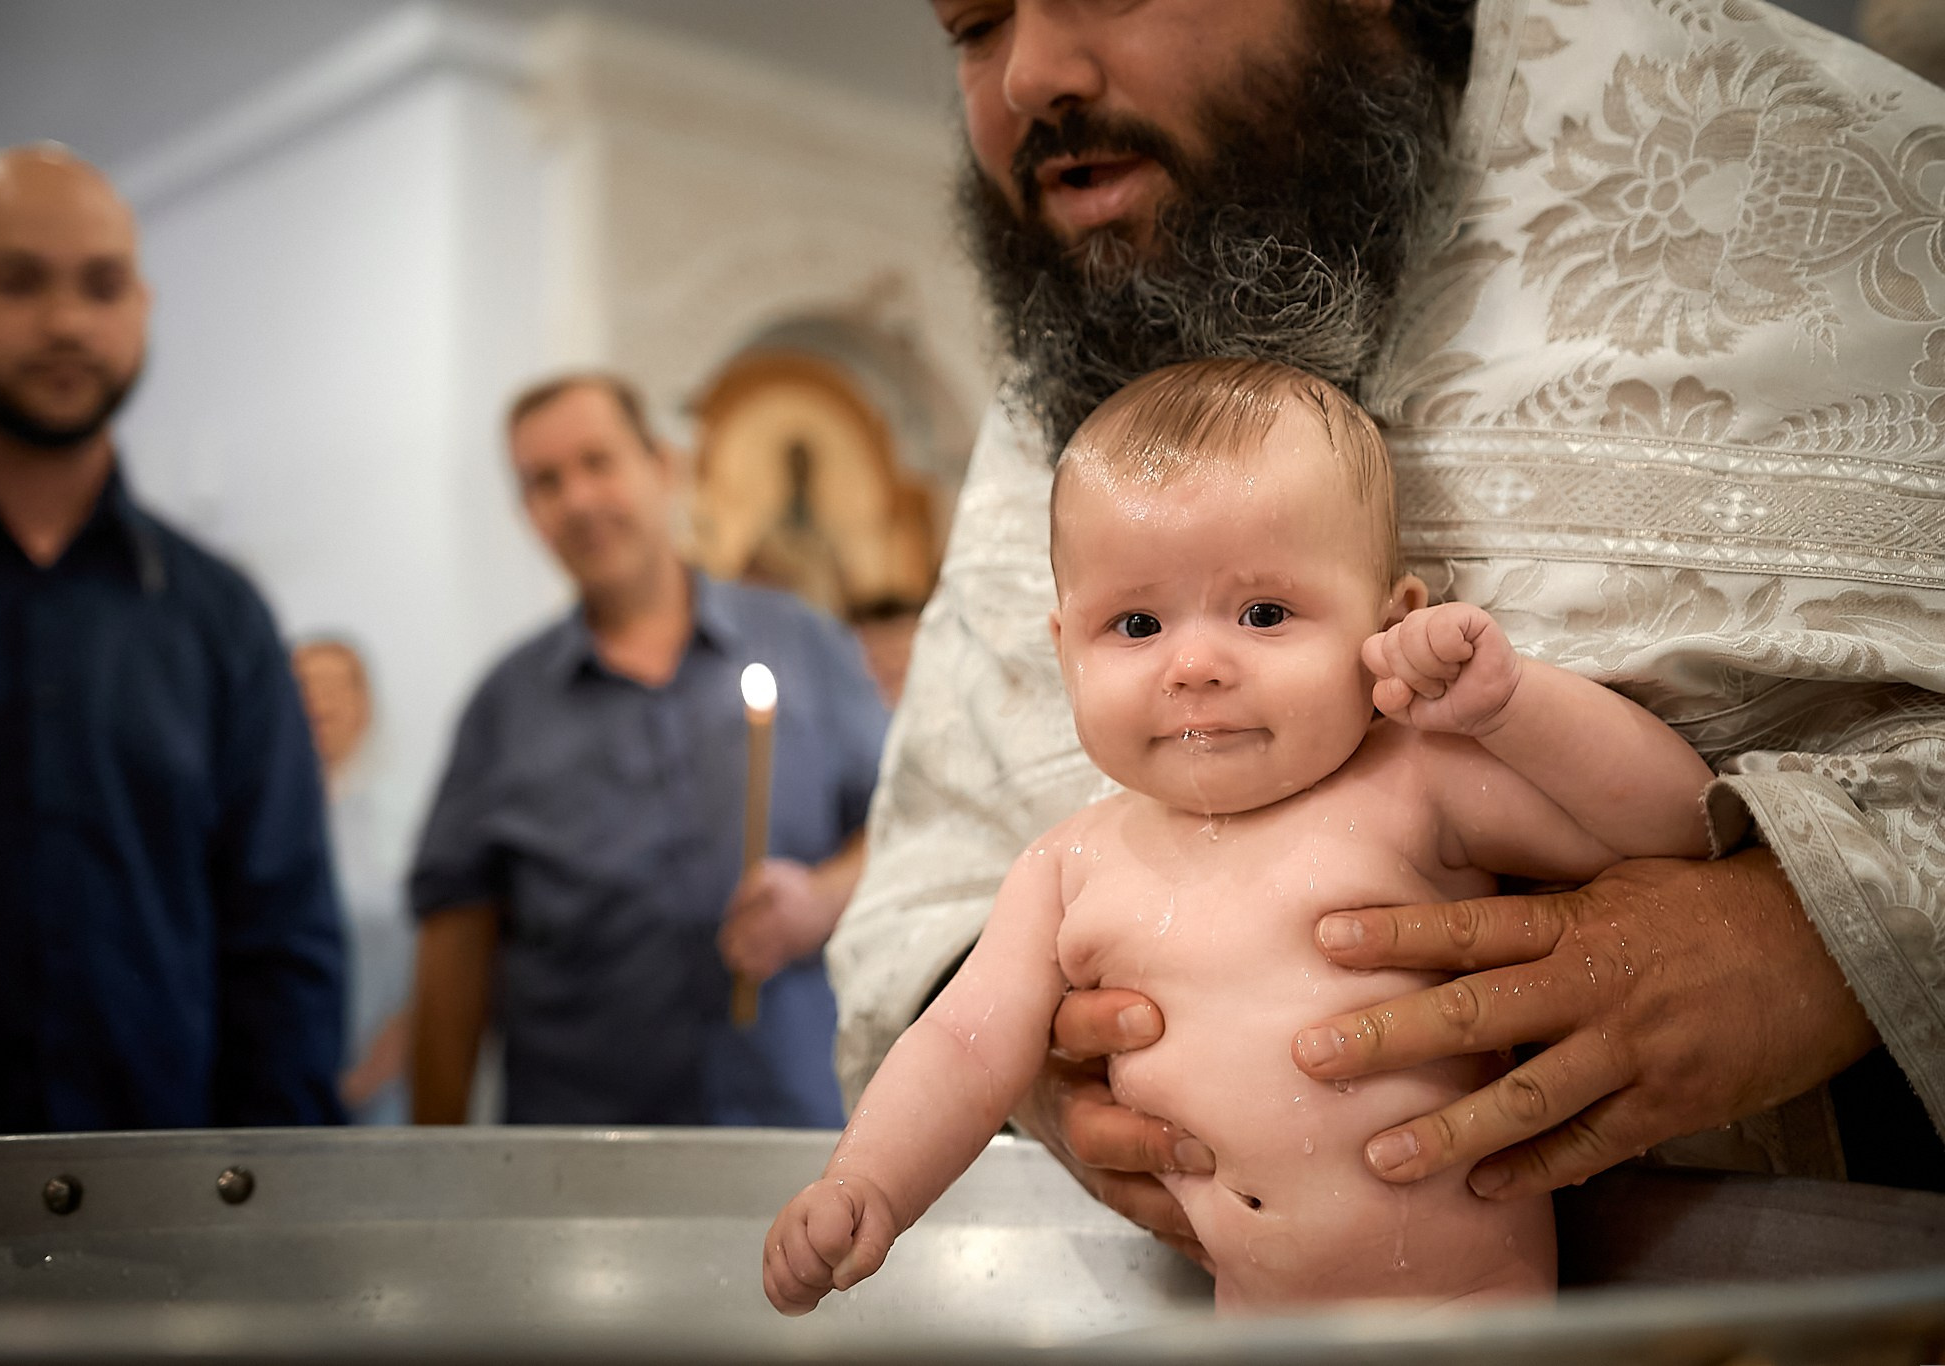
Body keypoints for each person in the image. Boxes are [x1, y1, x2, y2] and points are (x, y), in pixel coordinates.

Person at [832, 0, 1945, 1261]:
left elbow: (1661, 815)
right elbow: (927, 897)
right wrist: (1038, 1069)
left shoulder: (1825, 172)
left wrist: (1814, 940)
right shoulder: (1078, 395)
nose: (1029, 73)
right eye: (970, 26)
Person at [768, 359, 1710, 1314]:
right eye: (1136, 623)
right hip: (1245, 1321)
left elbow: (1677, 824)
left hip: (1473, 1312)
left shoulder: (1414, 783)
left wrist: (1515, 706)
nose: (1194, 666)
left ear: (1393, 622)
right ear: (1064, 652)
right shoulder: (1067, 868)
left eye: (1264, 613)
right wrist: (865, 1185)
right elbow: (968, 1047)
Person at [0, 144, 345, 1136]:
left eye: (101, 285)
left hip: (160, 1230)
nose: (65, 321)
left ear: (139, 306)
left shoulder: (220, 615)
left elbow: (282, 945)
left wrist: (272, 1217)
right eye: (17, 281)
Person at [409, 374, 888, 1128]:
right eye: (545, 482)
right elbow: (456, 940)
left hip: (795, 1121)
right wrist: (430, 1159)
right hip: (582, 1143)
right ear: (528, 513)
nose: (578, 500)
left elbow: (906, 824)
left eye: (598, 462)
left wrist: (822, 898)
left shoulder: (801, 642)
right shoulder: (504, 705)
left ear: (663, 466)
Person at [292, 636, 413, 1125]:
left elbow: (438, 960)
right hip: (283, 1084)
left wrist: (387, 1058)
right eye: (302, 688)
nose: (318, 702)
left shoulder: (408, 825)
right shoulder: (250, 832)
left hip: (387, 1083)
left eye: (334, 687)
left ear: (364, 706)